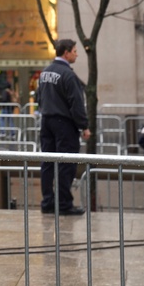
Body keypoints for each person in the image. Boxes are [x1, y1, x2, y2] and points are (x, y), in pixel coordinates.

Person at [36, 38, 90, 216]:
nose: (77, 54)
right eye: (74, 51)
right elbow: (76, 103)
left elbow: (39, 98)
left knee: (48, 163)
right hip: (64, 124)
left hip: (46, 121)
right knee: (66, 163)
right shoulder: (68, 75)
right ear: (66, 52)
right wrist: (84, 126)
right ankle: (64, 204)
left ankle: (48, 202)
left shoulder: (45, 73)